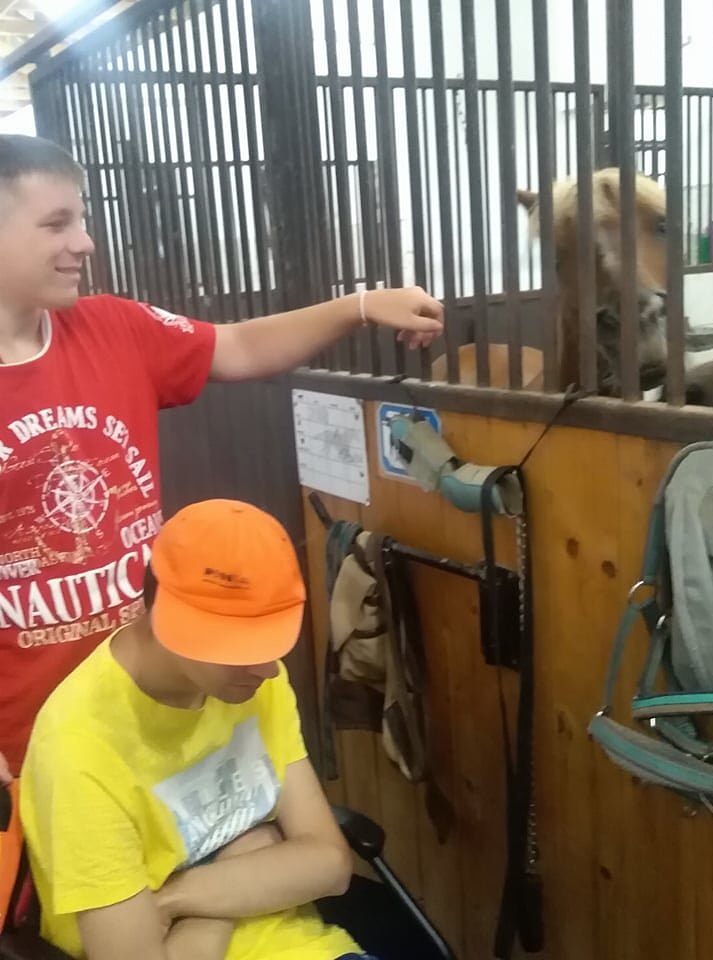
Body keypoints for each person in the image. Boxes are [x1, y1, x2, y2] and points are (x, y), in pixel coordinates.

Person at [0, 133, 444, 782]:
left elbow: (236, 346)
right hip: (32, 740)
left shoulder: (114, 328)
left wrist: (359, 307)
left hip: (157, 700)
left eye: (83, 219)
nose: (85, 242)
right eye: (56, 223)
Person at [20, 498, 377, 960]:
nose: (268, 668)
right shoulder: (78, 747)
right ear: (165, 621)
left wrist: (174, 899)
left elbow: (330, 864)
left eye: (270, 639)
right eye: (239, 645)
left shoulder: (251, 681)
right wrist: (246, 858)